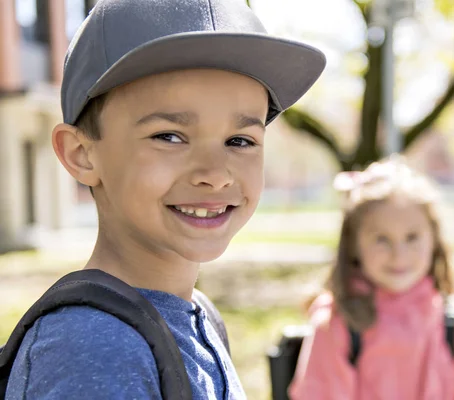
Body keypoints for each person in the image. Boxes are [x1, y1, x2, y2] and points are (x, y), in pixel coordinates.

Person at [5, 0, 325, 398]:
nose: (214, 174)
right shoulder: (95, 347)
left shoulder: (195, 315)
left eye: (239, 140)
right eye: (169, 136)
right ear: (81, 154)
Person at [289, 156, 454, 400]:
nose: (398, 254)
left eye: (412, 237)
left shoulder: (451, 319)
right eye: (381, 239)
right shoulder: (337, 321)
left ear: (434, 241)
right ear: (354, 245)